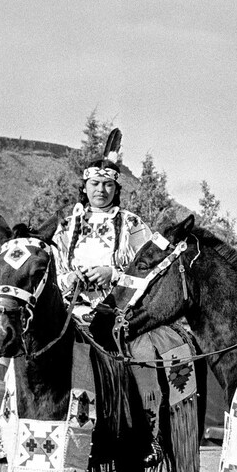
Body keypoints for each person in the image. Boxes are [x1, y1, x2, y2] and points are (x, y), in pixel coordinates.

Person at [50, 128, 153, 328]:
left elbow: (151, 270)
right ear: (84, 187)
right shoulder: (66, 226)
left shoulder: (131, 224)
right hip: (68, 314)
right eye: (95, 183)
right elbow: (49, 274)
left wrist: (113, 274)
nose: (101, 190)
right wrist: (70, 278)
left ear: (116, 190)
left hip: (121, 313)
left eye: (108, 184)